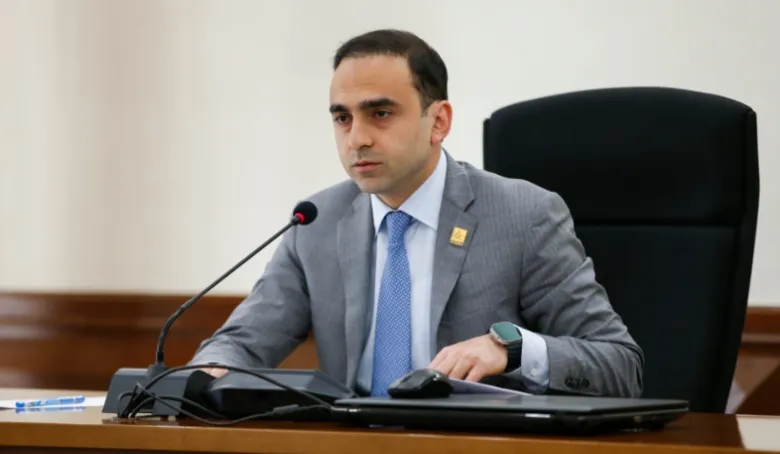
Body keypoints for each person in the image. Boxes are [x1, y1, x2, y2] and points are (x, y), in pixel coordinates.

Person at [189, 29, 643, 398]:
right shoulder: (317, 221)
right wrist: (204, 374)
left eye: (381, 113)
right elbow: (243, 342)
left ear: (439, 121)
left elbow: (620, 365)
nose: (357, 138)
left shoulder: (524, 216)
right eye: (342, 118)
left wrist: (514, 350)